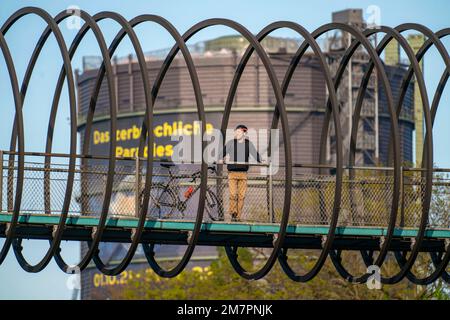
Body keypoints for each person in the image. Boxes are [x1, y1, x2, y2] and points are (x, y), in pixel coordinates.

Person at [220, 124, 263, 222]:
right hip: (232, 173)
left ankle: (238, 216)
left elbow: (255, 154)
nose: (236, 133)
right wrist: (219, 158)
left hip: (243, 173)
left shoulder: (248, 144)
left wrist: (261, 160)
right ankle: (233, 212)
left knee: (241, 196)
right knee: (233, 194)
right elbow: (222, 153)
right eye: (236, 131)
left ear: (244, 133)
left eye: (239, 131)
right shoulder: (231, 143)